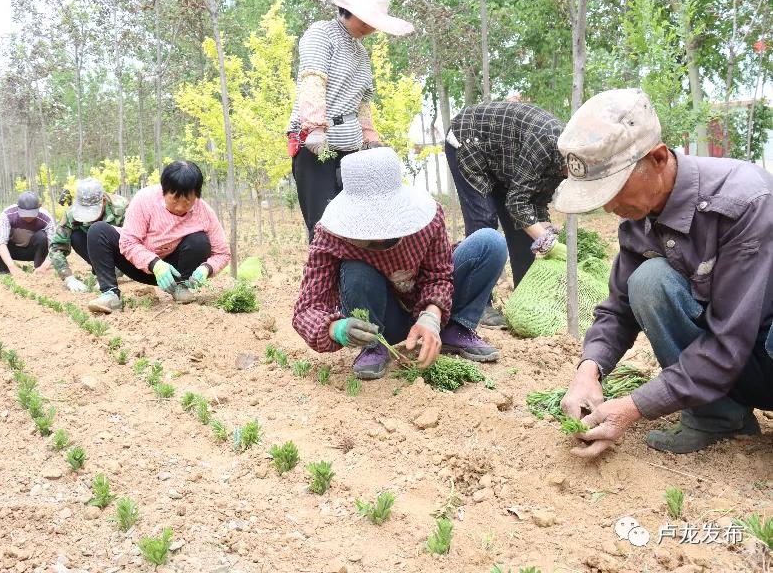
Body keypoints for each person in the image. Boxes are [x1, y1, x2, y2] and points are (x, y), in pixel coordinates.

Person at [554, 88, 773, 457]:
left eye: (614, 189)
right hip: (733, 367)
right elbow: (619, 309)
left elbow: (729, 342)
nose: (609, 207)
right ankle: (719, 417)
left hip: (760, 352)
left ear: (657, 158)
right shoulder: (639, 216)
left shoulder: (745, 202)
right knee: (648, 282)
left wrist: (634, 407)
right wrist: (588, 370)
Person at [293, 147, 507, 379]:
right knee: (355, 270)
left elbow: (439, 274)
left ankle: (454, 328)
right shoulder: (330, 234)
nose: (381, 238)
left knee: (490, 242)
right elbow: (307, 309)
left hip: (431, 310)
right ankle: (375, 346)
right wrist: (338, 329)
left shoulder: (429, 217)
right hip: (383, 319)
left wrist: (432, 317)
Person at [287, 0, 413, 241]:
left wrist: (371, 138)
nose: (369, 26)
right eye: (364, 18)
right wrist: (314, 127)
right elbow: (313, 78)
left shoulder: (362, 54)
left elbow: (362, 101)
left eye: (373, 21)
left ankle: (350, 281)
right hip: (316, 145)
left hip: (350, 148)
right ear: (347, 9)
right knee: (324, 226)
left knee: (354, 224)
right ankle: (323, 281)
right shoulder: (322, 34)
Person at [445, 101, 568, 328]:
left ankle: (525, 301)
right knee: (484, 223)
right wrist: (548, 243)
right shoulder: (548, 143)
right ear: (569, 159)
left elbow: (534, 202)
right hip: (469, 141)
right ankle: (479, 306)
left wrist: (545, 232)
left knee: (522, 230)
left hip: (504, 161)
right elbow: (516, 201)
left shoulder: (568, 161)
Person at [86, 161, 230, 314]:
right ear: (164, 191)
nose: (180, 207)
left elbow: (222, 253)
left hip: (175, 272)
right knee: (97, 231)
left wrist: (206, 268)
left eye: (188, 201)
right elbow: (128, 242)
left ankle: (181, 288)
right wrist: (155, 264)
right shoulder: (144, 200)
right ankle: (110, 294)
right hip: (139, 265)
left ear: (197, 195)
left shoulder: (204, 212)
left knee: (199, 240)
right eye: (174, 200)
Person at [47, 178, 128, 292]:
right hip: (96, 251)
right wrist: (68, 278)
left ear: (103, 201)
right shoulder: (71, 214)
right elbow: (56, 248)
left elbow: (133, 242)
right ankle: (100, 269)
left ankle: (111, 271)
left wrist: (110, 275)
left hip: (121, 254)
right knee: (75, 235)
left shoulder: (121, 208)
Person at [0, 191, 54, 274]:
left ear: (39, 207)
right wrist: (12, 266)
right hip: (12, 250)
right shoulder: (8, 214)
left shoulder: (46, 218)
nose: (28, 217)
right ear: (18, 207)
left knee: (42, 236)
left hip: (33, 251)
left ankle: (38, 270)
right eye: (24, 214)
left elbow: (54, 246)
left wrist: (44, 266)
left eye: (32, 214)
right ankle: (4, 271)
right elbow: (1, 242)